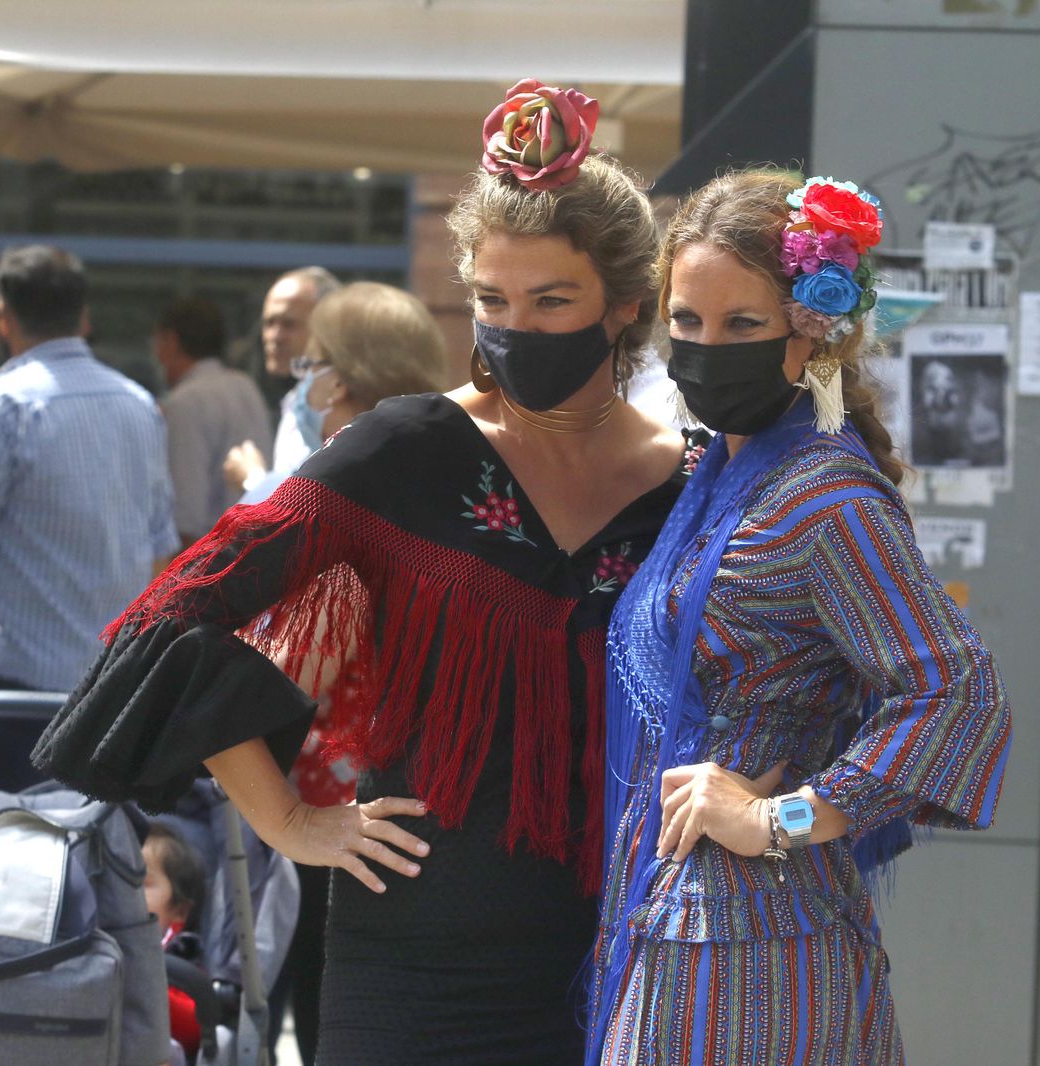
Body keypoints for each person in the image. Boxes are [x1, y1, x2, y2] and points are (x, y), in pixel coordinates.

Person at [34, 79, 693, 1064]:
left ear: (625, 304)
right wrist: (290, 819)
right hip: (407, 970)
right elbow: (184, 611)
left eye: (551, 299)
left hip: (621, 962)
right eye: (490, 300)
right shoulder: (407, 447)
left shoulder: (686, 483)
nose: (514, 326)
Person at [589, 171, 1012, 1065]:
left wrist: (783, 817)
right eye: (687, 322)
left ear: (811, 332)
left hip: (748, 946)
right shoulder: (719, 477)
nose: (706, 349)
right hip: (676, 914)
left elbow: (956, 694)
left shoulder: (826, 498)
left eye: (742, 324)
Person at [247, 281, 449, 1064]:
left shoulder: (353, 496)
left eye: (313, 363)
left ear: (342, 381)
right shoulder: (453, 481)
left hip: (344, 822)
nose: (304, 381)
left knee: (323, 1006)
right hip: (423, 814)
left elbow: (273, 678)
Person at [0, 245, 178, 794]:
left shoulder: (1, 407)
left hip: (13, 695)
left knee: (15, 859)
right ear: (83, 318)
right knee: (105, 863)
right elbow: (160, 551)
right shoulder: (139, 404)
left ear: (4, 318)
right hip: (113, 688)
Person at [154, 297, 273, 548]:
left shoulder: (185, 402)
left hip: (214, 566)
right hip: (261, 548)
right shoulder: (246, 386)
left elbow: (186, 521)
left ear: (171, 341)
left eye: (157, 341)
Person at [257, 267, 342, 479]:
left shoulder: (337, 404)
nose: (274, 336)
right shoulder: (298, 400)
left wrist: (253, 479)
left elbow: (315, 497)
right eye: (269, 323)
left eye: (289, 324)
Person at [143, 824, 207, 1066]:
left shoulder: (181, 950)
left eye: (141, 880)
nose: (124, 891)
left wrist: (141, 986)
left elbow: (195, 1026)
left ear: (179, 910)